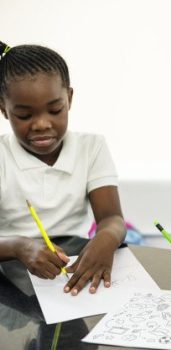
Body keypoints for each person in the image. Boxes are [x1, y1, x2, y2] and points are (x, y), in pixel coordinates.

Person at [0, 41, 126, 295]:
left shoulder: (92, 147)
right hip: (9, 274)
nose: (41, 124)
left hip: (73, 263)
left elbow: (112, 218)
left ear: (69, 98)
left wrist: (105, 240)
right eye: (24, 116)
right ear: (3, 108)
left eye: (55, 110)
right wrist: (18, 246)